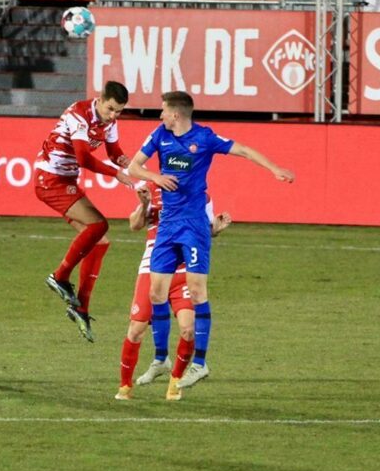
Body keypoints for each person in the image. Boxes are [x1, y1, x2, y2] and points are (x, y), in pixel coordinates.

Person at [126, 90, 294, 392]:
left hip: (193, 226)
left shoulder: (204, 138)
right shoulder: (159, 134)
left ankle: (200, 364)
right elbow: (133, 167)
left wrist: (273, 169)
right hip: (167, 227)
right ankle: (161, 359)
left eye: (163, 110)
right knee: (156, 294)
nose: (160, 115)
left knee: (197, 290)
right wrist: (157, 177)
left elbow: (242, 150)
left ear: (176, 114)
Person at [35, 81, 135, 342]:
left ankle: (81, 307)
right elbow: (83, 158)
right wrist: (116, 174)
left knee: (100, 242)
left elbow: (114, 152)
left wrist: (126, 162)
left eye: (119, 112)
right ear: (100, 100)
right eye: (111, 109)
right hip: (50, 178)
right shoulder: (80, 113)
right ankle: (59, 276)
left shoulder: (109, 121)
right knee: (99, 225)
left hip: (65, 180)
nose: (114, 115)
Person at [116, 181, 231, 401]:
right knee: (136, 328)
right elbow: (134, 224)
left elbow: (205, 232)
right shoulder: (150, 187)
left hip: (185, 271)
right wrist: (144, 204)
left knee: (188, 330)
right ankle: (125, 386)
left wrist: (215, 229)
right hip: (152, 268)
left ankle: (175, 382)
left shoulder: (201, 195)